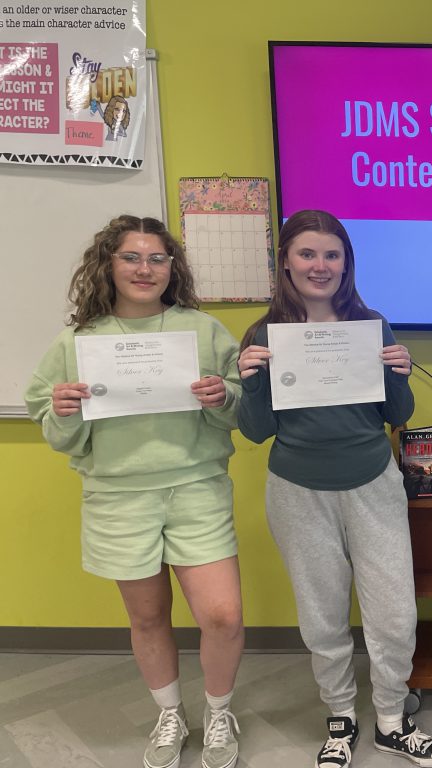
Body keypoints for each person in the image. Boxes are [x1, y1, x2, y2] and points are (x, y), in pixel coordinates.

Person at [24, 215, 244, 768]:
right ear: (109, 264)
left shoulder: (203, 330)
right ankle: (170, 714)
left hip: (197, 486)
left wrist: (223, 398)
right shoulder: (77, 341)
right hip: (119, 497)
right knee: (148, 617)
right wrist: (66, 411)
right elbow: (56, 431)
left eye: (157, 259)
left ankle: (219, 712)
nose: (145, 269)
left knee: (222, 615)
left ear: (173, 268)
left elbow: (239, 410)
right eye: (131, 257)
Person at [236, 209, 432, 768]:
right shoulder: (264, 335)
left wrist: (399, 375)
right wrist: (251, 383)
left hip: (372, 483)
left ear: (346, 263)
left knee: (394, 613)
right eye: (307, 253)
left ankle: (391, 718)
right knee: (322, 615)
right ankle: (340, 717)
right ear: (285, 260)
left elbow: (396, 413)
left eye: (332, 255)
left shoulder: (371, 325)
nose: (320, 266)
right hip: (297, 490)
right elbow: (257, 431)